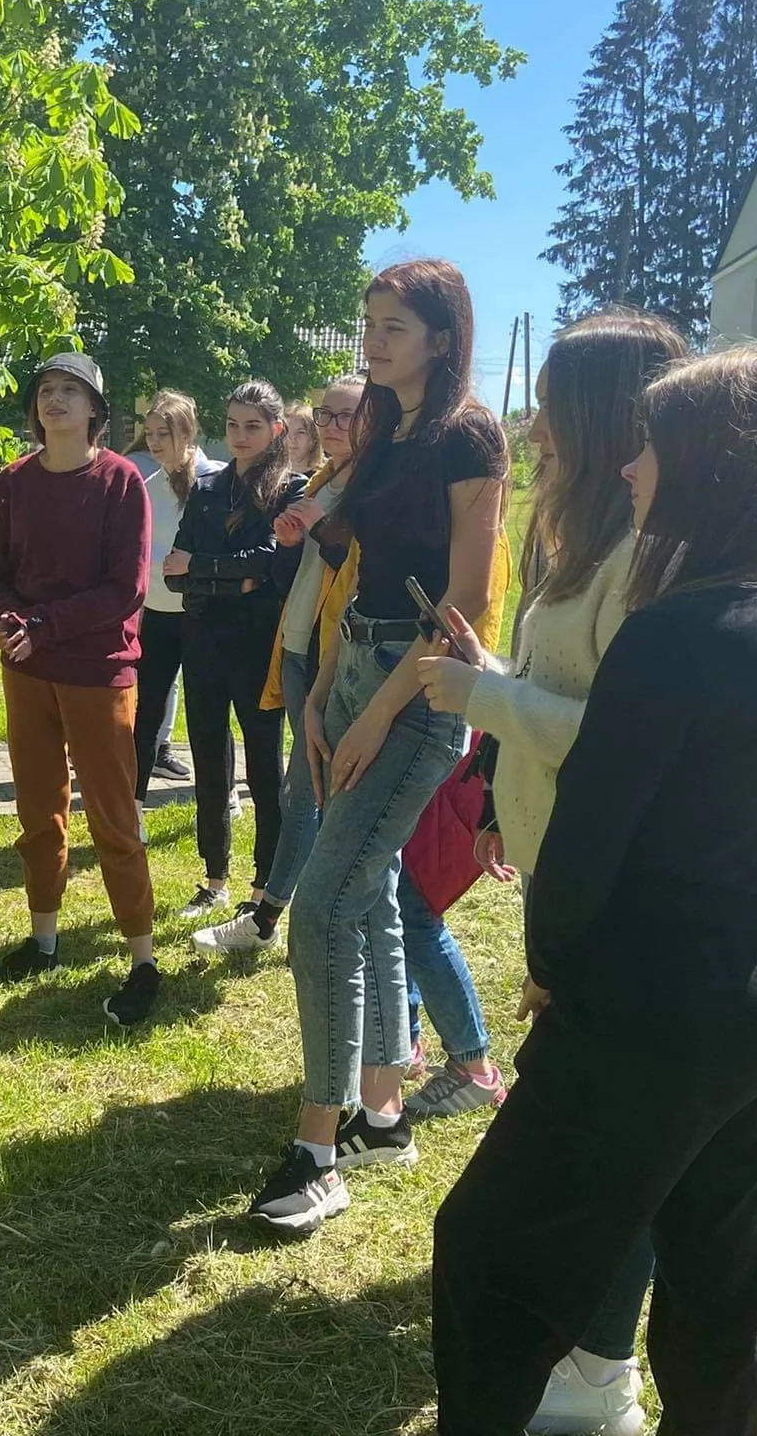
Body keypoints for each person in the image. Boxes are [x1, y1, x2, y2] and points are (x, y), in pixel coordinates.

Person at [428, 344, 757, 1436]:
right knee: (720, 1280)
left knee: (485, 1258)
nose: (629, 470)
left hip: (659, 1007)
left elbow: (582, 853)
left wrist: (551, 978)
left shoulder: (674, 637)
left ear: (709, 468)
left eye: (652, 449)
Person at [415, 308, 687, 1435]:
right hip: (563, 865)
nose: (532, 423)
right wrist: (490, 787)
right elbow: (545, 683)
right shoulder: (581, 527)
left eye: (554, 402)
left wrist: (478, 698)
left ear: (608, 414)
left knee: (604, 1140)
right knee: (587, 1128)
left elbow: (617, 736)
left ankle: (595, 1370)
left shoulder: (649, 554)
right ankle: (585, 1347)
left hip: (619, 888)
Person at [246, 260, 507, 1235]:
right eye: (368, 322)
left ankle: (318, 1151)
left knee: (319, 905)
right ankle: (379, 1115)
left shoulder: (467, 435)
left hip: (421, 688)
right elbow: (352, 562)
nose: (374, 338)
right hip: (351, 665)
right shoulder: (385, 432)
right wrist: (319, 697)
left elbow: (468, 601)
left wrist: (370, 710)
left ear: (441, 336)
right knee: (364, 896)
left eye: (394, 324)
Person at [0, 351, 160, 1026]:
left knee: (113, 819)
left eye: (70, 391)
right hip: (28, 671)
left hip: (98, 673)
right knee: (38, 812)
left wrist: (44, 624)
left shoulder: (120, 483)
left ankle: (142, 959)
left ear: (95, 412)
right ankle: (43, 939)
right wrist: (11, 620)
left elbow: (125, 590)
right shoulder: (13, 482)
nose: (55, 400)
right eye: (47, 390)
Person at [162, 381, 304, 920]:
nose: (241, 436)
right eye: (233, 425)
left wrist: (204, 570)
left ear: (276, 430)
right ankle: (213, 877)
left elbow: (267, 564)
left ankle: (264, 885)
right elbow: (174, 570)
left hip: (258, 645)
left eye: (253, 426)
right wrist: (227, 577)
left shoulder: (291, 489)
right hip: (200, 640)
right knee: (208, 760)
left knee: (265, 766)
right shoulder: (206, 487)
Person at [128, 392, 223, 793]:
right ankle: (132, 803)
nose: (153, 441)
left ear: (186, 432)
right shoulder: (148, 486)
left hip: (204, 614)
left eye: (162, 433)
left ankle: (222, 792)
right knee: (147, 711)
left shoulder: (217, 478)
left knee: (209, 713)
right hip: (158, 615)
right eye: (148, 433)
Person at [282, 401, 321, 476]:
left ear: (314, 438)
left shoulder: (324, 476)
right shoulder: (269, 473)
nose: (292, 439)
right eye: (286, 431)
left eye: (300, 432)